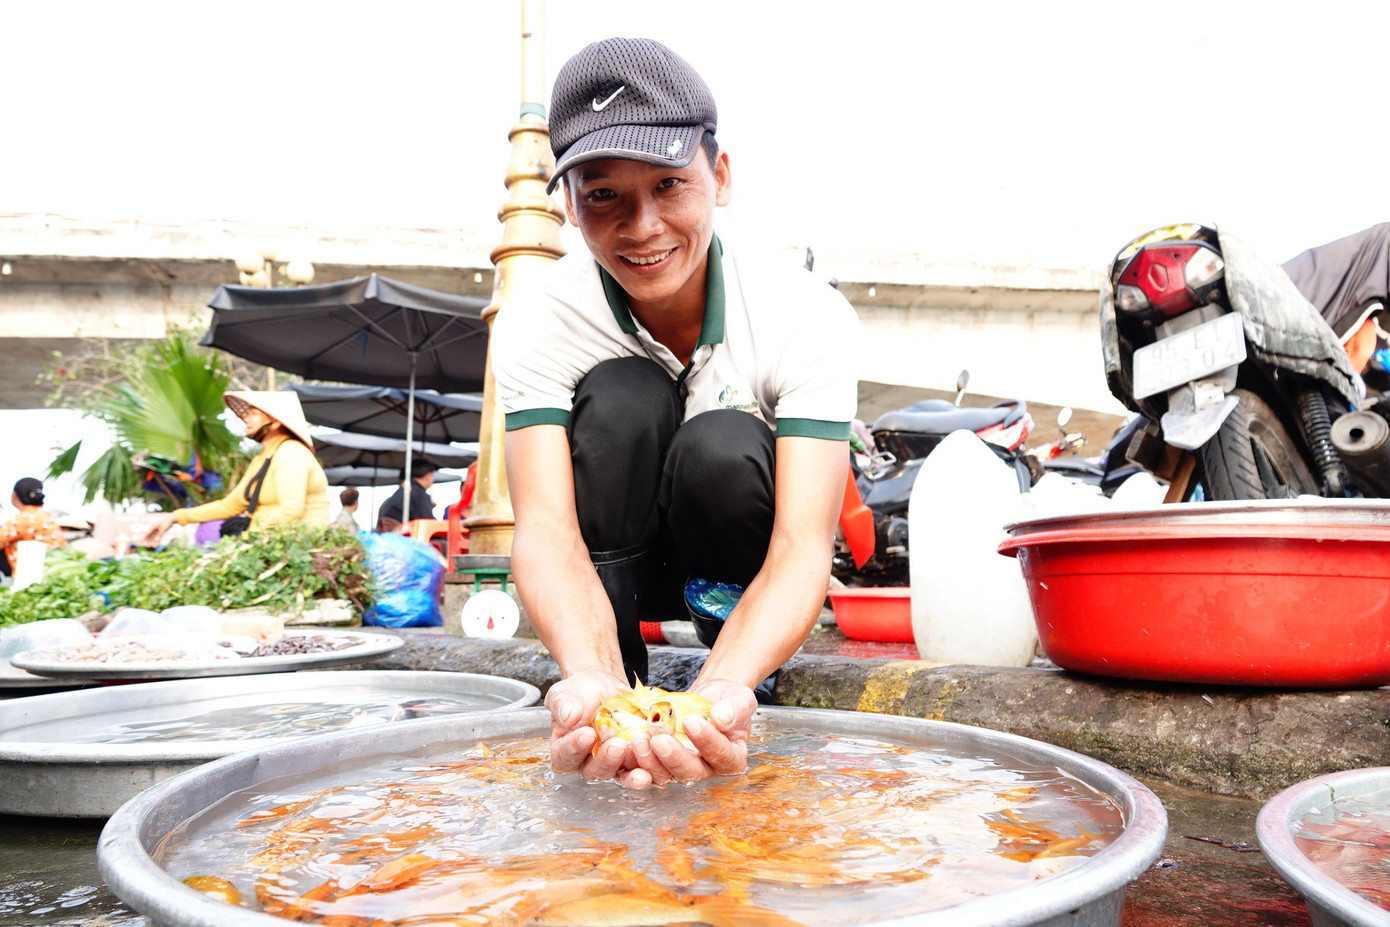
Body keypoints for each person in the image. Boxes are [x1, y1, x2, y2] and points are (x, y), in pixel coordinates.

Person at [490, 37, 859, 790]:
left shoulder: (805, 315)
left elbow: (800, 544)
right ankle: (618, 684)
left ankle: (740, 670)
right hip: (612, 570)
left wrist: (720, 693)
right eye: (604, 196)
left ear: (719, 177)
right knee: (623, 396)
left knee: (722, 446)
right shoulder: (538, 319)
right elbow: (547, 531)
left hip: (732, 577)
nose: (643, 226)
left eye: (668, 185)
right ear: (569, 203)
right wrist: (590, 676)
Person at [142, 391, 329, 543]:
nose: (246, 418)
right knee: (207, 530)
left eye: (254, 413)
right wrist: (175, 518)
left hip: (299, 545)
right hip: (268, 541)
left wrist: (246, 534)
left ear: (276, 421)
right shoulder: (264, 457)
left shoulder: (291, 453)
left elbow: (291, 511)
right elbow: (230, 505)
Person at [0, 478, 66, 576]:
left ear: (14, 495)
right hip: (53, 569)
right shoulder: (48, 517)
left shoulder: (23, 520)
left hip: (30, 574)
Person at [376, 459, 438, 530]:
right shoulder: (418, 494)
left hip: (391, 536)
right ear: (428, 475)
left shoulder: (403, 491)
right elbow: (430, 523)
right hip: (406, 538)